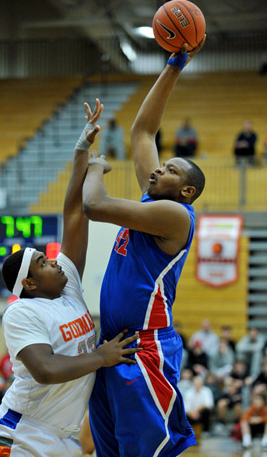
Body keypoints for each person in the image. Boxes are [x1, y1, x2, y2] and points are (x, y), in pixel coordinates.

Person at [0, 99, 141, 457]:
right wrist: (102, 356)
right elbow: (46, 369)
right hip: (21, 432)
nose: (54, 261)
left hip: (63, 435)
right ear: (30, 284)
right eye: (42, 262)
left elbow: (72, 214)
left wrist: (82, 151)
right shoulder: (21, 313)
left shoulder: (66, 284)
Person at [82, 38, 206, 457]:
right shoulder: (154, 202)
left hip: (145, 348)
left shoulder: (176, 216)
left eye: (169, 169)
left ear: (186, 190)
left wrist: (95, 165)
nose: (157, 168)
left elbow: (94, 205)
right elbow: (142, 131)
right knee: (110, 450)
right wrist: (173, 66)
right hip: (114, 345)